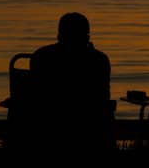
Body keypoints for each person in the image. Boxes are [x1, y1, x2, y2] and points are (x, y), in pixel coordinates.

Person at [27, 12, 113, 151]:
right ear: (87, 36)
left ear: (59, 35)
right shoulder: (99, 60)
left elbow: (36, 93)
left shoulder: (41, 56)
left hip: (47, 124)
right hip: (90, 125)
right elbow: (102, 95)